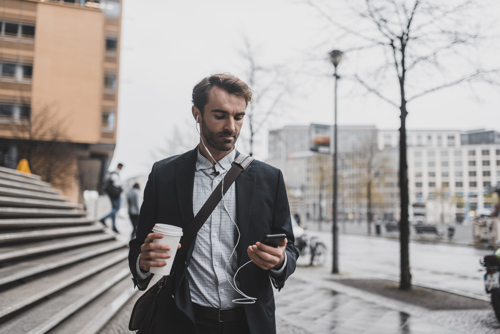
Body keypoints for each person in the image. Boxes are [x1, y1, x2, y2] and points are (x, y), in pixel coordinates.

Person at [128, 73, 298, 334]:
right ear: (197, 114)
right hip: (180, 319)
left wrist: (279, 261)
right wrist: (143, 261)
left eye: (238, 116)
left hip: (249, 323)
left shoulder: (269, 178)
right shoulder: (164, 174)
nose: (231, 126)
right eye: (220, 116)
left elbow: (290, 249)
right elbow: (139, 246)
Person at [100, 162, 123, 233]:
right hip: (115, 194)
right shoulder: (115, 173)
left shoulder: (112, 173)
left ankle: (114, 226)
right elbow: (116, 183)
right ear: (120, 166)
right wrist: (121, 187)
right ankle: (103, 219)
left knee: (114, 209)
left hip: (111, 193)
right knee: (116, 209)